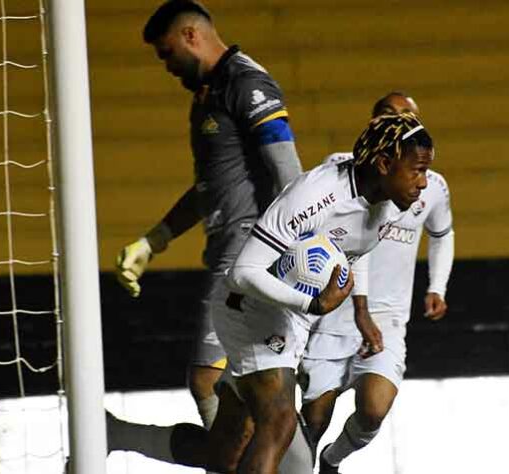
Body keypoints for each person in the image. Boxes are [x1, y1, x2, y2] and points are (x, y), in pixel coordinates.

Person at [106, 113, 434, 473]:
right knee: (280, 425)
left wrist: (355, 307)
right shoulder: (317, 194)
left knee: (226, 456)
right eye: (417, 170)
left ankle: (117, 433)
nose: (424, 183)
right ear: (385, 164)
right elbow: (244, 272)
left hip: (289, 320)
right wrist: (313, 302)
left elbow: (350, 251)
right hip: (251, 312)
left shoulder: (389, 205)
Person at [114, 0, 302, 430]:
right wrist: (154, 239)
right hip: (228, 251)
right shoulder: (207, 96)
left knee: (207, 380)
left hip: (247, 254)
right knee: (252, 394)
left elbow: (290, 174)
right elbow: (212, 188)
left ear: (190, 37)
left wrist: (290, 252)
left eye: (167, 54)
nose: (167, 66)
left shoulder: (247, 84)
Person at [299, 93, 455, 473]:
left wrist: (438, 285)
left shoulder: (430, 185)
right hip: (334, 313)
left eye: (408, 117)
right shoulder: (341, 168)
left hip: (385, 317)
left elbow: (442, 233)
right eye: (389, 115)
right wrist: (358, 309)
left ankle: (332, 461)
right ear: (372, 123)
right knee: (313, 421)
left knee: (373, 410)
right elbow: (357, 243)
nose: (399, 123)